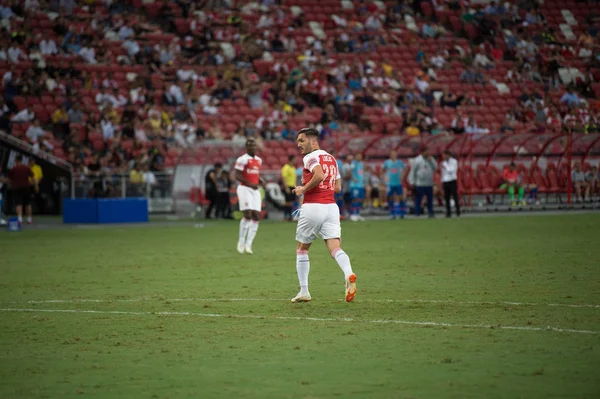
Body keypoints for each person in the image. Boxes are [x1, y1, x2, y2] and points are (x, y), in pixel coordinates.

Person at [291, 127, 357, 303]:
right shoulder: (332, 159)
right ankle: (349, 273)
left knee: (302, 248)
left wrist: (302, 189)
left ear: (313, 141)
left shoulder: (310, 157)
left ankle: (304, 291)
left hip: (314, 206)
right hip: (331, 208)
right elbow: (337, 188)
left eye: (301, 140)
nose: (298, 145)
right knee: (335, 247)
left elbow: (319, 175)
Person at [234, 139, 264, 254]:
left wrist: (260, 180)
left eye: (253, 145)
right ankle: (241, 241)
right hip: (244, 188)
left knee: (256, 216)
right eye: (249, 145)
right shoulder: (242, 159)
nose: (252, 147)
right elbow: (237, 175)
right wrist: (249, 183)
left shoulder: (258, 160)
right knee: (247, 214)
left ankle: (249, 244)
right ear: (246, 147)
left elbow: (254, 174)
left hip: (255, 190)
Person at [8, 155, 37, 225]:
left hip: (16, 188)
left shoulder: (14, 168)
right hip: (26, 187)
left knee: (18, 204)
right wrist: (36, 185)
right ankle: (29, 219)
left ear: (16, 161)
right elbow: (33, 178)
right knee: (28, 204)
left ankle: (20, 219)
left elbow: (10, 179)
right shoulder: (27, 168)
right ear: (22, 160)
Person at [410, 147, 437, 217]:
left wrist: (431, 161)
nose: (428, 153)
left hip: (429, 183)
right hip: (420, 183)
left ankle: (430, 212)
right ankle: (417, 213)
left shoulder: (431, 159)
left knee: (430, 199)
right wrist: (412, 182)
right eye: (426, 152)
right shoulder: (417, 160)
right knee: (419, 199)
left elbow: (435, 168)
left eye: (428, 151)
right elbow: (413, 171)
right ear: (422, 152)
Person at [382, 150, 407, 219]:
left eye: (395, 154)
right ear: (390, 155)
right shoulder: (387, 162)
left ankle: (402, 213)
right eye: (392, 154)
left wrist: (402, 175)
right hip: (390, 183)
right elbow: (383, 171)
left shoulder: (400, 162)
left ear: (396, 155)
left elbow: (405, 169)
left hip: (398, 182)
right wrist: (385, 177)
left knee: (401, 197)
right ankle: (393, 214)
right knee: (390, 197)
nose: (393, 155)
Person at [441, 150, 460, 218]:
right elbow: (443, 174)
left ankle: (458, 212)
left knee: (455, 196)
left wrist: (445, 167)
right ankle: (448, 213)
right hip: (445, 181)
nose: (443, 157)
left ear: (448, 155)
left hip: (452, 180)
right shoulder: (443, 162)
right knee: (447, 198)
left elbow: (452, 170)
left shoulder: (454, 161)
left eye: (444, 155)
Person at [349, 152, 365, 221]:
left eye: (360, 156)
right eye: (358, 156)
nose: (359, 157)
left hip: (360, 185)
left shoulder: (361, 163)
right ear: (356, 157)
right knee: (355, 199)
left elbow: (361, 173)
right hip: (354, 185)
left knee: (360, 199)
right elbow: (350, 171)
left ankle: (358, 214)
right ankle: (353, 214)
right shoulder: (354, 163)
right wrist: (353, 179)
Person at [281, 155, 297, 221]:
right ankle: (285, 216)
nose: (295, 161)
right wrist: (286, 187)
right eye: (294, 159)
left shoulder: (293, 168)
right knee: (288, 202)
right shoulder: (286, 167)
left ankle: (290, 217)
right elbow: (283, 178)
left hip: (293, 186)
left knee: (291, 202)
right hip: (288, 186)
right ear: (291, 159)